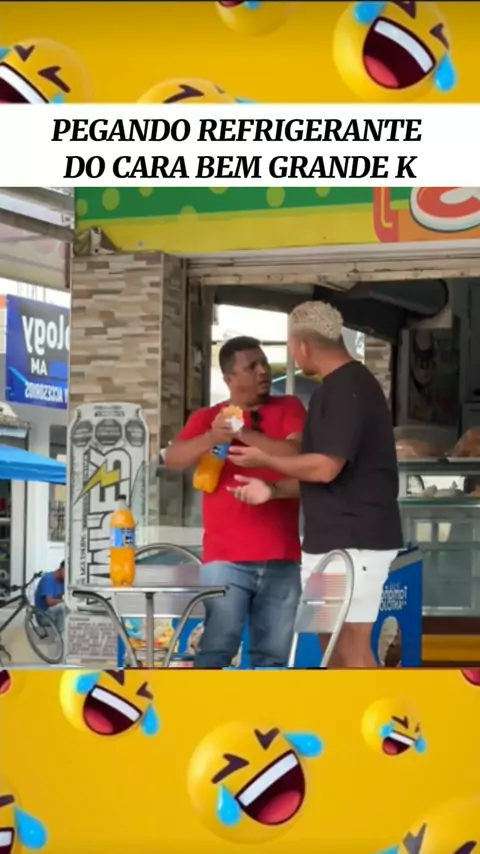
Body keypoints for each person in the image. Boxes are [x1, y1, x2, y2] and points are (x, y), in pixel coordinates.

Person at [228, 302, 403, 669]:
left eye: (291, 346)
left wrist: (266, 460)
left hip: (355, 542)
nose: (293, 355)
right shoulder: (333, 390)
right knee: (329, 645)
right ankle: (345, 709)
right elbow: (321, 474)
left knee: (351, 647)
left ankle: (378, 709)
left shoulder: (350, 388)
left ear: (304, 345)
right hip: (329, 542)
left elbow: (325, 468)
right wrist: (273, 490)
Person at [165, 335, 307, 668]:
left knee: (273, 657)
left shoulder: (289, 407)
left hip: (282, 557)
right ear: (229, 378)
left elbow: (295, 452)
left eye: (263, 362)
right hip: (225, 559)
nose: (263, 371)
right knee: (216, 649)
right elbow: (173, 459)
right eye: (251, 367)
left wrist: (242, 432)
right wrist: (214, 436)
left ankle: (265, 706)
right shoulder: (208, 418)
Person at [34, 560, 65, 633]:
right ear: (62, 569)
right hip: (44, 616)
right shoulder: (48, 579)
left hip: (55, 613)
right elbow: (49, 602)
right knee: (63, 607)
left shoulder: (63, 582)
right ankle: (61, 636)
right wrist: (64, 601)